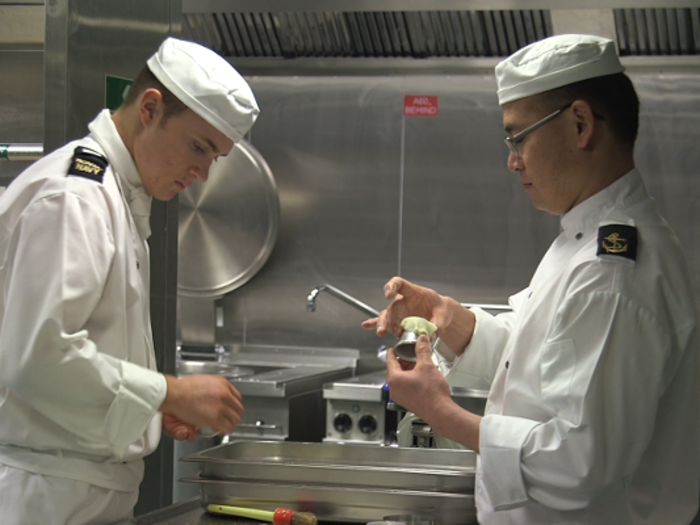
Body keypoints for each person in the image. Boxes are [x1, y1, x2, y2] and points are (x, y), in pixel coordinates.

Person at [363, 34, 700, 524]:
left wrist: (443, 414)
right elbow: (548, 362)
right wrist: (452, 321)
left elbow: (580, 466)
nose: (512, 159)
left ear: (581, 124)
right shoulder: (583, 240)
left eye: (519, 137)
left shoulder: (612, 273)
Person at [0, 37, 259, 524]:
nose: (202, 172)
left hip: (82, 495)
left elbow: (81, 359)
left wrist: (141, 408)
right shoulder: (75, 198)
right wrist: (169, 392)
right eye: (198, 147)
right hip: (43, 501)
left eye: (215, 157)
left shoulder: (118, 196)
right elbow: (37, 359)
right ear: (150, 108)